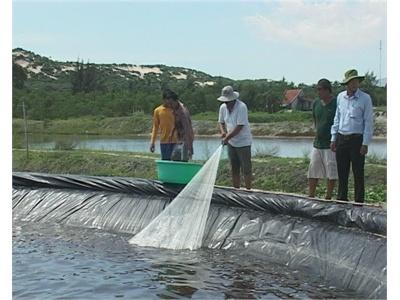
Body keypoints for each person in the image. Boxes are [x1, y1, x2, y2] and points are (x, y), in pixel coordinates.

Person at [330, 69, 374, 203]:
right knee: (342, 172)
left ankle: (359, 202)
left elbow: (368, 121)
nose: (354, 84)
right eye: (352, 82)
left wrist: (365, 143)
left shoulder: (365, 98)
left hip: (357, 140)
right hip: (342, 138)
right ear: (347, 84)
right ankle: (341, 200)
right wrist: (333, 138)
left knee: (358, 172)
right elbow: (337, 118)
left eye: (356, 81)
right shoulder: (340, 97)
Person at [307, 79, 338, 199]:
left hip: (330, 144)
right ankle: (311, 195)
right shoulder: (316, 103)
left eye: (320, 89)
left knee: (331, 171)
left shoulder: (336, 103)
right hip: (318, 143)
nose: (318, 92)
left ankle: (328, 197)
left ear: (327, 90)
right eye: (317, 89)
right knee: (313, 169)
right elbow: (315, 120)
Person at [217, 85, 252, 190]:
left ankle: (248, 190)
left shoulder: (241, 107)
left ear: (233, 99)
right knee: (234, 168)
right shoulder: (223, 107)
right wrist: (223, 133)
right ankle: (236, 190)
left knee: (246, 168)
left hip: (243, 142)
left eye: (228, 102)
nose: (227, 104)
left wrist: (227, 137)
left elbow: (239, 126)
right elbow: (221, 122)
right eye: (225, 102)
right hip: (231, 143)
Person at [150, 89, 178, 160]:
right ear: (164, 99)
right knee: (166, 161)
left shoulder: (176, 110)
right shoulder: (158, 111)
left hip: (176, 141)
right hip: (164, 141)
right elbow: (155, 127)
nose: (169, 102)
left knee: (176, 162)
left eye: (171, 100)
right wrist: (152, 142)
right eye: (168, 100)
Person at [168, 90, 194, 162]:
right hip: (179, 139)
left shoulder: (183, 112)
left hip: (186, 140)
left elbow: (187, 129)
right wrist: (171, 133)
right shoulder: (175, 109)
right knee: (174, 158)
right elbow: (176, 123)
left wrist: (190, 147)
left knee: (184, 159)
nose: (170, 106)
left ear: (175, 101)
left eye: (171, 103)